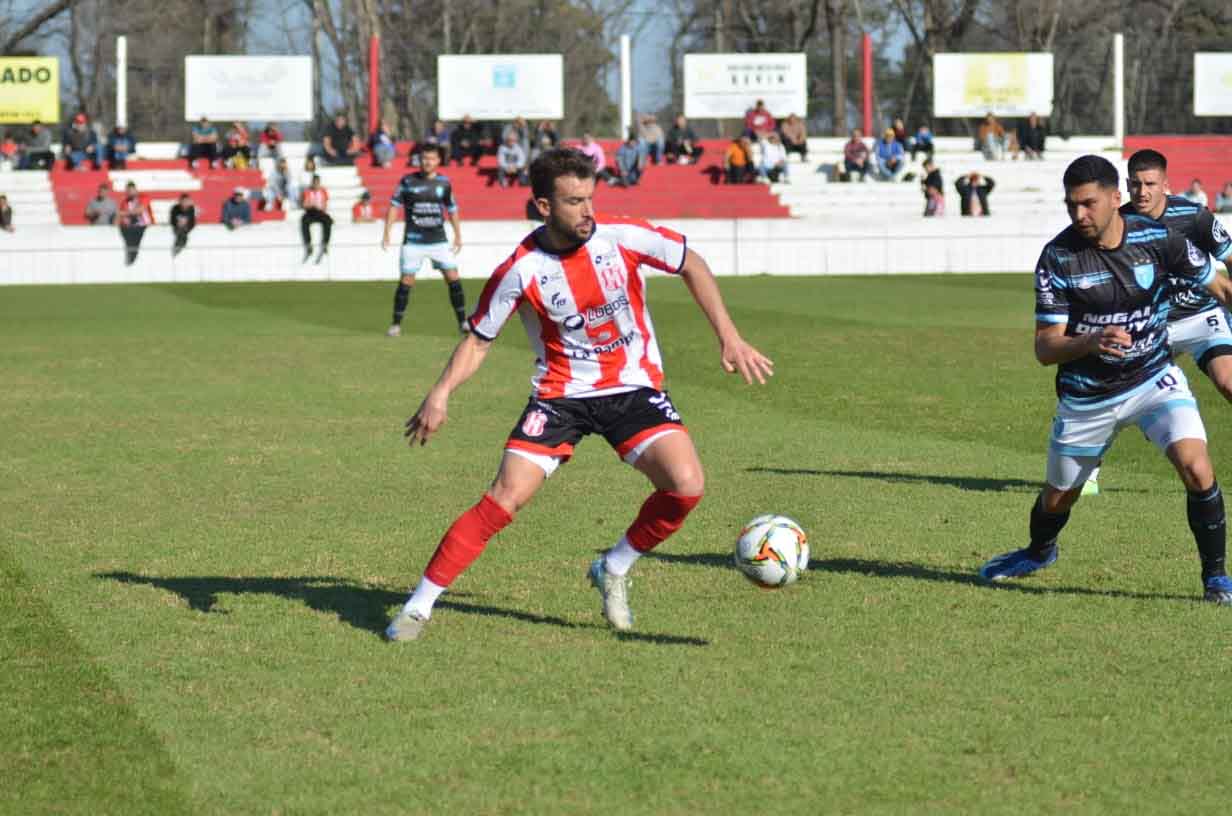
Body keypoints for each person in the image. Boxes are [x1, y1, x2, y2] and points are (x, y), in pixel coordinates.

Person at [383, 147, 775, 642]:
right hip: (559, 397)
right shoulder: (521, 269)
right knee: (504, 498)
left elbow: (690, 263)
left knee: (686, 485)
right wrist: (440, 393)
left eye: (590, 198)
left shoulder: (622, 236)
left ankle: (614, 566)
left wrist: (729, 336)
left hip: (631, 388)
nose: (587, 211)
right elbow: (479, 340)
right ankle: (418, 607)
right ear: (544, 206)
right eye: (574, 202)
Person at [978, 153, 1232, 607]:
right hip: (1088, 397)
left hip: (1154, 378)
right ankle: (1039, 551)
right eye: (1071, 205)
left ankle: (1216, 579)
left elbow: (1222, 287)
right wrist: (1090, 341)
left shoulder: (1159, 237)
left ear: (1116, 198)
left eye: (1088, 204)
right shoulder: (1058, 257)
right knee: (1058, 497)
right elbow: (1045, 347)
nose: (1079, 215)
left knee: (1196, 467)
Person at [1082, 149, 1232, 497]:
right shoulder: (1118, 223)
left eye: (1150, 184)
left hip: (1200, 316)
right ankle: (1088, 469)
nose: (1142, 192)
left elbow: (1228, 257)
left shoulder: (1193, 217)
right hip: (1148, 324)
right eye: (1135, 184)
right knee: (1113, 391)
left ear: (1166, 184)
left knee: (1228, 382)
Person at [382, 143, 467, 336]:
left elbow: (452, 209)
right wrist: (387, 231)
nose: (428, 162)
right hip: (413, 241)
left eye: (431, 158)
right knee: (407, 280)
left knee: (453, 276)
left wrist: (458, 235)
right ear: (419, 160)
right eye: (424, 158)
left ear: (438, 161)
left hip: (438, 240)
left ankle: (463, 322)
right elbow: (394, 206)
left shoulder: (444, 183)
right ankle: (396, 324)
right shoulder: (407, 182)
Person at [117, 181, 154, 266]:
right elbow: (123, 217)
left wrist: (124, 214)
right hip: (132, 228)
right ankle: (131, 258)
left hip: (146, 227)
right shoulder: (125, 202)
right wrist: (124, 218)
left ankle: (132, 257)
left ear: (135, 190)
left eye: (131, 190)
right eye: (128, 191)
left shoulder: (143, 197)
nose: (129, 192)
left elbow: (140, 210)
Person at [300, 174, 333, 262]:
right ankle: (308, 244)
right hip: (310, 211)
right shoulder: (307, 191)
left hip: (320, 211)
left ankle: (325, 243)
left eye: (317, 182)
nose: (315, 184)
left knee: (328, 221)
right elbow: (304, 204)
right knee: (304, 221)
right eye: (314, 182)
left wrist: (320, 207)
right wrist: (311, 205)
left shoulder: (323, 191)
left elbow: (325, 203)